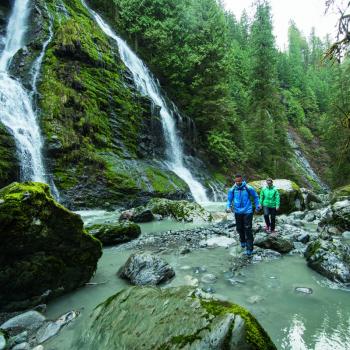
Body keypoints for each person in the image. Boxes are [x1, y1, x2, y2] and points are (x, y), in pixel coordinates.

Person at [226, 174, 261, 256]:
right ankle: (242, 240)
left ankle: (250, 249)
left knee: (248, 229)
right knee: (239, 228)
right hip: (237, 211)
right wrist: (228, 207)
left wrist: (257, 205)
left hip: (247, 211)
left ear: (242, 180)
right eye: (236, 181)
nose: (238, 182)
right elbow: (229, 200)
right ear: (235, 181)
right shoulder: (232, 189)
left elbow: (255, 197)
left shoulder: (248, 188)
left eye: (239, 181)